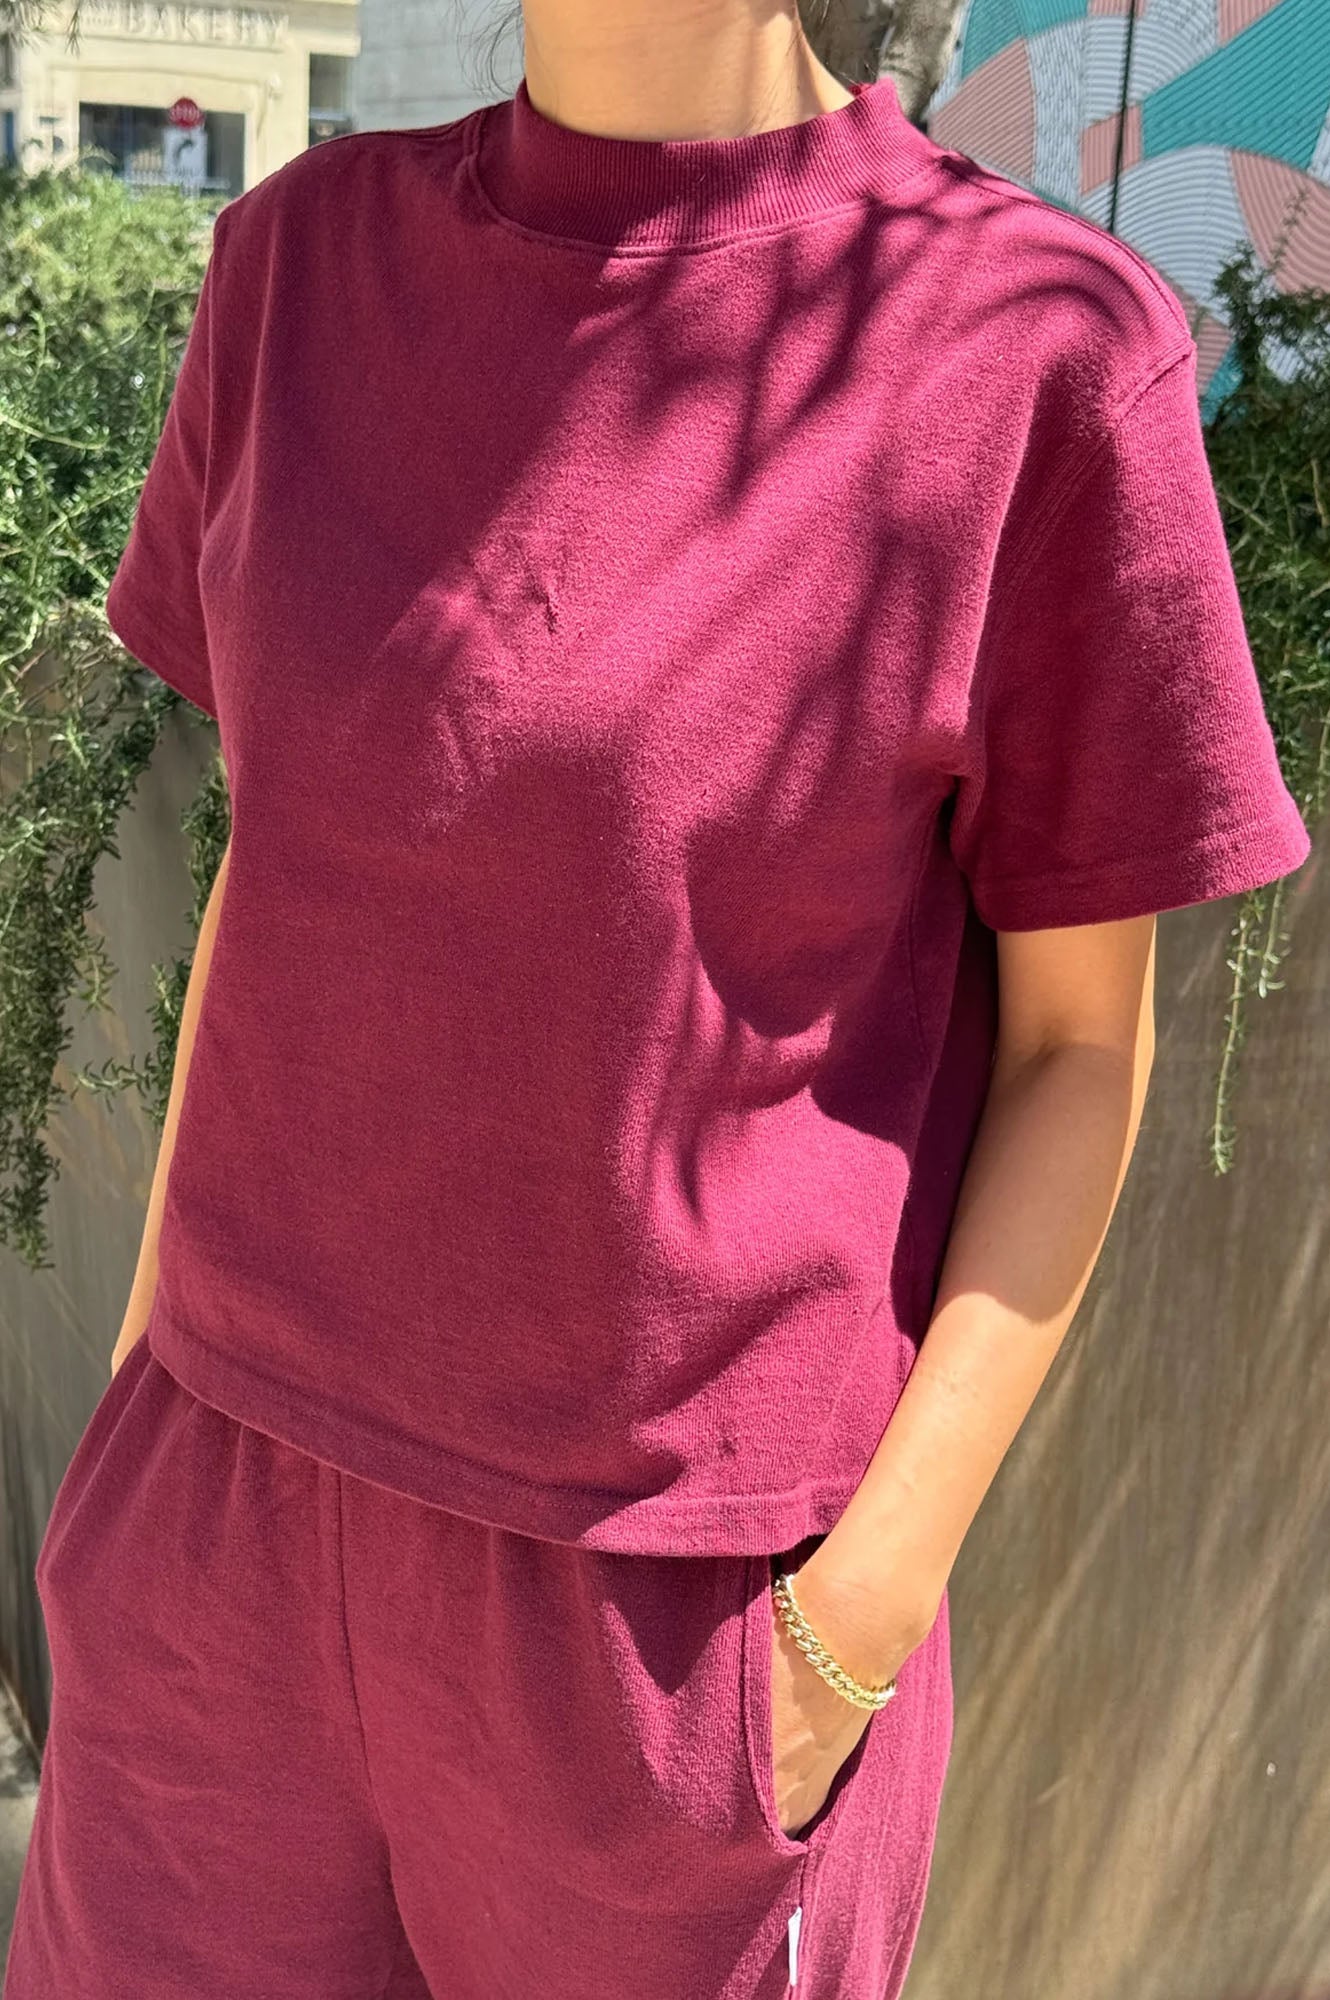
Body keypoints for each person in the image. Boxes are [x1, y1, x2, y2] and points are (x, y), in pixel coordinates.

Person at [4, 3, 1312, 1997]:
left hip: (672, 1626)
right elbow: (283, 867)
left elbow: (1075, 1048)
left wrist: (848, 1628)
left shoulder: (1031, 347)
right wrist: (134, 1415)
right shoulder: (294, 267)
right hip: (215, 1540)